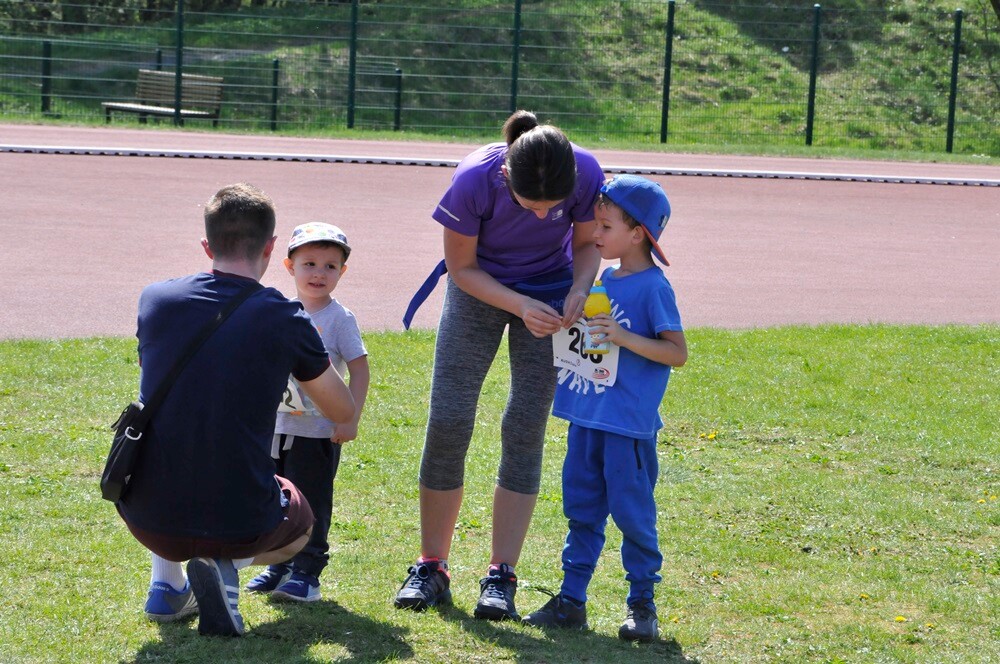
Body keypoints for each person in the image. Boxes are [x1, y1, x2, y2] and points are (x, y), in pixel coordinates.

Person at [394, 110, 605, 621]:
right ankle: (431, 566)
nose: (539, 216)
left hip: (554, 295)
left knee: (526, 423)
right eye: (528, 205)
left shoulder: (586, 172)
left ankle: (501, 575)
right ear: (506, 176)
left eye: (550, 208)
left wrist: (579, 289)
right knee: (449, 418)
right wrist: (518, 305)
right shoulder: (473, 179)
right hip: (479, 291)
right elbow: (461, 268)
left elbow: (586, 245)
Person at [119, 183, 355, 637]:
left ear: (207, 246)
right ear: (271, 248)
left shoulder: (154, 299)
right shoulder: (285, 316)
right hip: (240, 517)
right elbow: (340, 409)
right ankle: (225, 566)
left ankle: (165, 588)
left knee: (176, 445)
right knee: (302, 520)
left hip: (145, 514)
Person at [521, 175, 687, 643]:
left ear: (638, 234)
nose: (595, 232)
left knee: (633, 516)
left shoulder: (654, 287)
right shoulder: (604, 279)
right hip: (586, 420)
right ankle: (571, 601)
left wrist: (625, 337)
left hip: (628, 428)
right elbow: (592, 344)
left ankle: (642, 606)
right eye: (596, 222)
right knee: (582, 511)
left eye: (606, 225)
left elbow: (677, 352)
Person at [245, 222, 370, 602]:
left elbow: (360, 368)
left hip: (318, 432)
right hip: (275, 428)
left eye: (330, 266)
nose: (319, 273)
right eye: (310, 263)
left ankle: (307, 572)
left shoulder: (339, 319)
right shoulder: (277, 311)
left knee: (311, 499)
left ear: (342, 273)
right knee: (274, 494)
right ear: (288, 266)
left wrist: (350, 417)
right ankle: (278, 563)